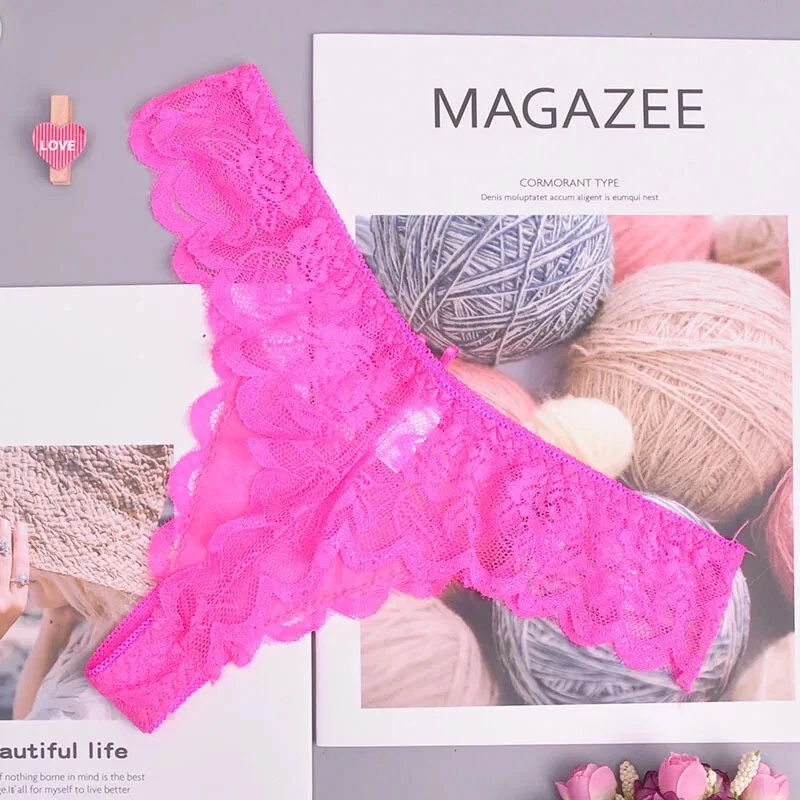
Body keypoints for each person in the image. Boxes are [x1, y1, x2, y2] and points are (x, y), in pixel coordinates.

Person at [0, 444, 172, 721]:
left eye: (12, 542)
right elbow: (27, 720)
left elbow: (26, 738)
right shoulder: (106, 622)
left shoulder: (80, 705)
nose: (9, 561)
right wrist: (57, 624)